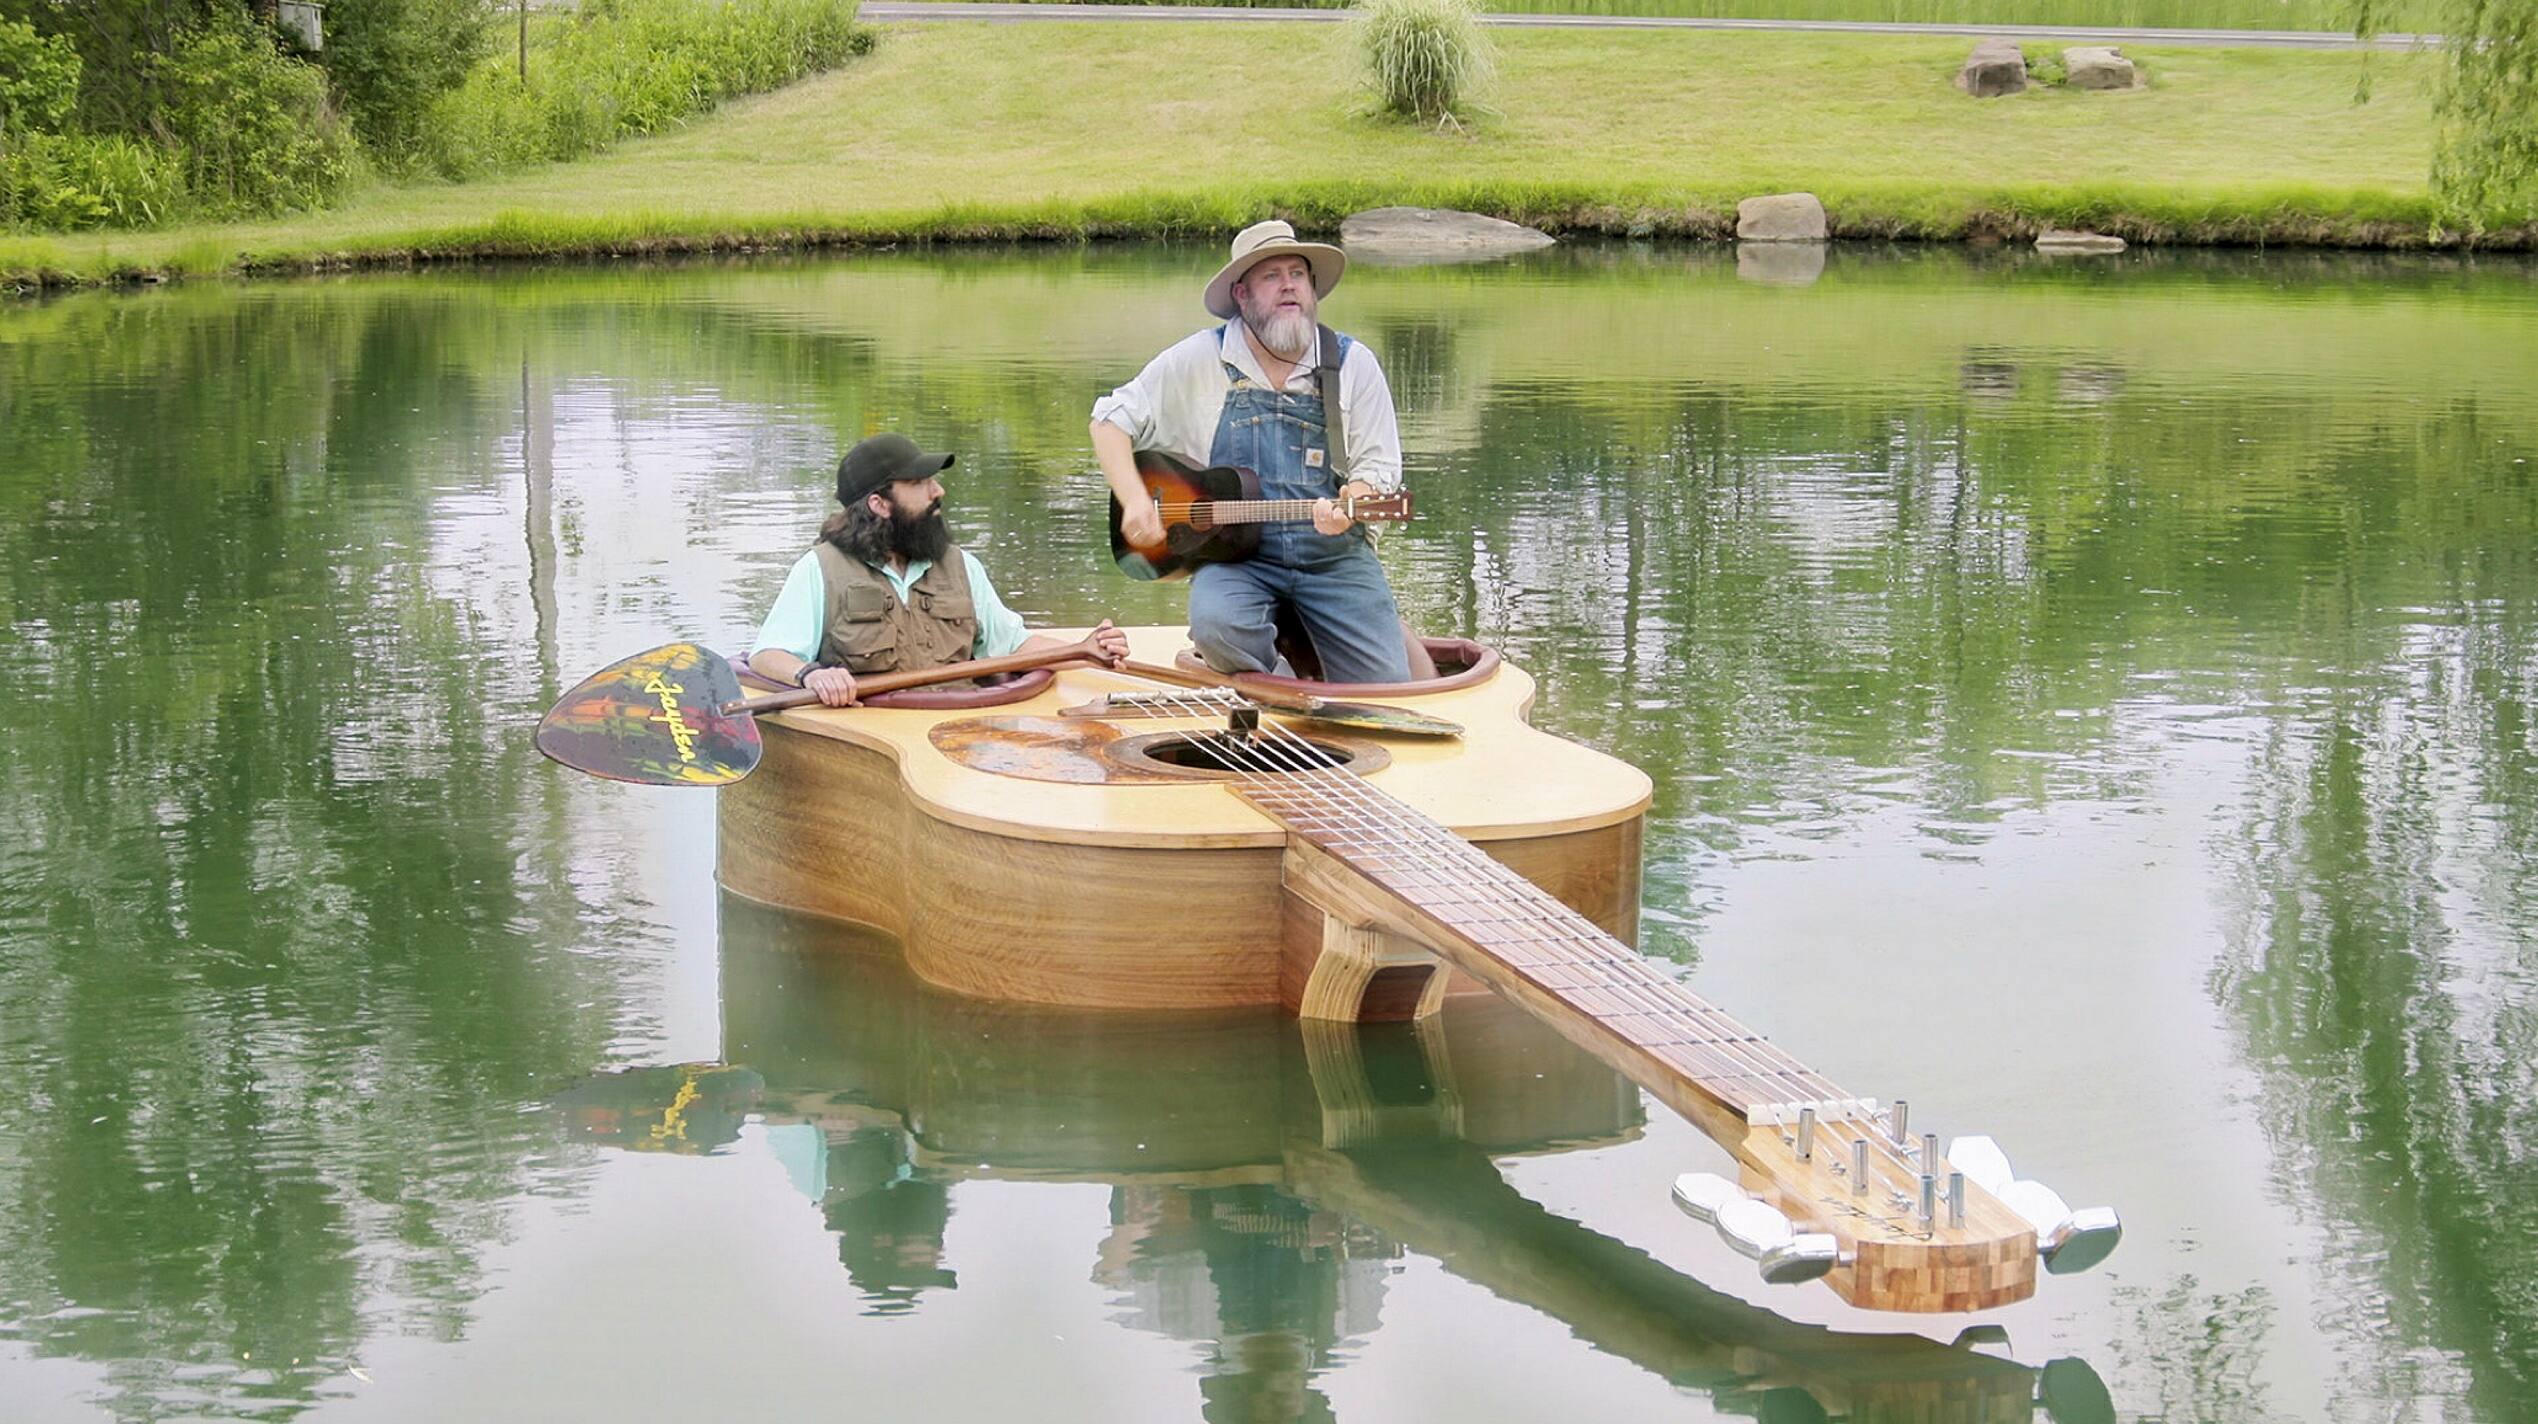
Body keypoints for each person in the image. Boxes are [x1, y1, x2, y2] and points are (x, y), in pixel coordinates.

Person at [1090, 219, 1414, 684]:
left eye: (1297, 274)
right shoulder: (1200, 358)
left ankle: (1289, 676)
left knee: (1387, 685)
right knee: (1217, 628)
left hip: (1335, 559)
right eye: (1271, 276)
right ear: (1241, 294)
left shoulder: (1352, 363)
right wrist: (1135, 499)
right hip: (1235, 560)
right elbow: (1108, 420)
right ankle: (1283, 683)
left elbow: (1377, 466)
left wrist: (1351, 505)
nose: (1289, 286)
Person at [751, 432, 1127, 707]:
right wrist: (813, 674)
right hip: (872, 732)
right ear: (879, 504)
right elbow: (768, 655)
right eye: (920, 483)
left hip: (958, 729)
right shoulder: (819, 569)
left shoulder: (962, 566)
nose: (938, 491)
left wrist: (1085, 650)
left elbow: (1015, 645)